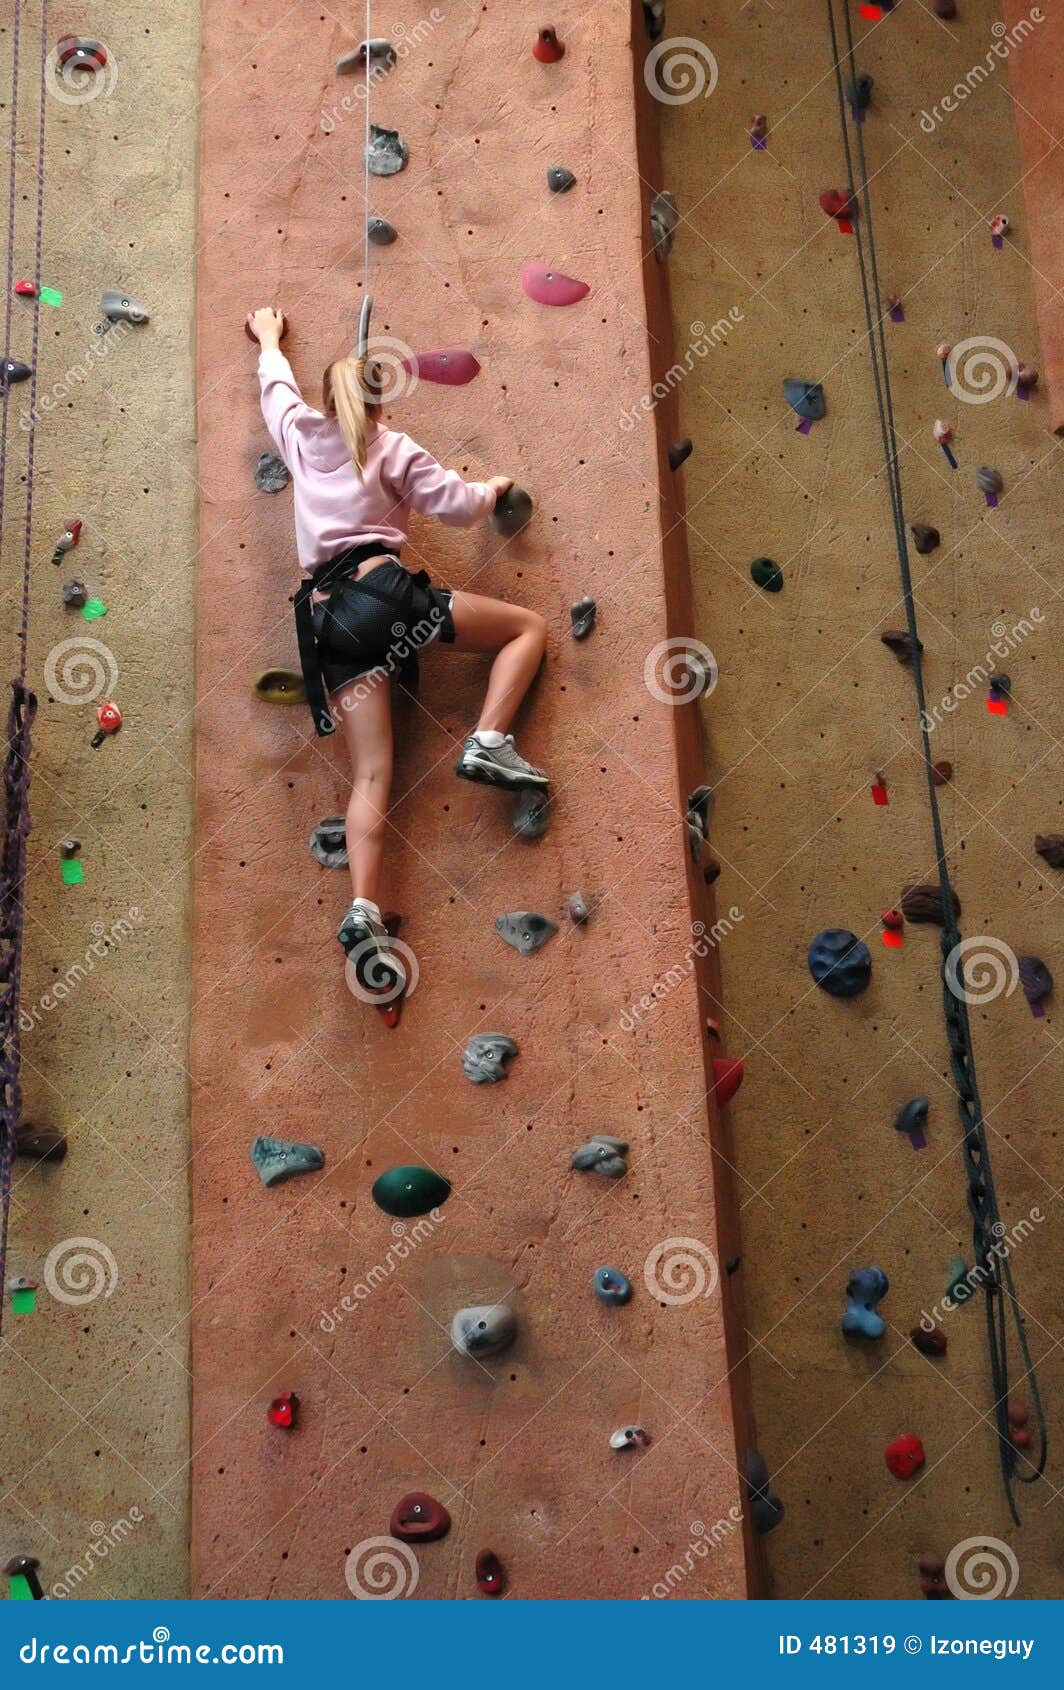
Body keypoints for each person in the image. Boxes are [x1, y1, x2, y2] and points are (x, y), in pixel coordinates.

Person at [248, 307, 548, 986]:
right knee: (526, 629)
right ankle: (488, 740)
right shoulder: (393, 447)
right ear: (380, 397)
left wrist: (268, 339)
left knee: (373, 776)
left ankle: (363, 906)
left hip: (330, 623)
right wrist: (494, 487)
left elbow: (275, 393)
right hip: (385, 597)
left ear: (325, 401)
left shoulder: (299, 435)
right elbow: (460, 507)